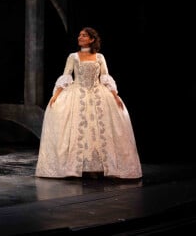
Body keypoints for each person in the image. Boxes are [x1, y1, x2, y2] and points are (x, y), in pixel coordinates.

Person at [35, 27, 142, 179]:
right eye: (79, 35)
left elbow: (105, 77)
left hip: (98, 94)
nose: (80, 37)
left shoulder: (100, 57)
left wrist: (115, 95)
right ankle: (77, 167)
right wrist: (56, 95)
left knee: (99, 130)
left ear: (92, 39)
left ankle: (97, 168)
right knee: (79, 128)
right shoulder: (73, 57)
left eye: (84, 35)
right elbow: (66, 75)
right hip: (77, 93)